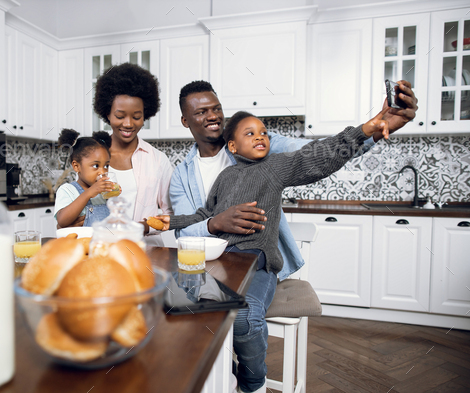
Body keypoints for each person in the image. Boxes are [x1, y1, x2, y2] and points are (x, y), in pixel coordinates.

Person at [168, 80, 418, 393]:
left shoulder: (263, 152)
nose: (213, 115)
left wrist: (371, 130)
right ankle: (219, 379)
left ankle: (248, 383)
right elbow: (187, 230)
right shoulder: (182, 174)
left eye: (216, 108)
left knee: (239, 319)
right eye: (201, 111)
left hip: (257, 263)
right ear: (185, 120)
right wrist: (216, 222)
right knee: (172, 317)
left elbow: (315, 156)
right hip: (209, 270)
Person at [93, 62, 173, 242]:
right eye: (120, 116)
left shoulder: (158, 160)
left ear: (146, 115)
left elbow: (170, 214)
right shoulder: (91, 157)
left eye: (136, 117)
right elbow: (80, 201)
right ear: (107, 114)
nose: (128, 124)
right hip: (104, 248)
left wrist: (142, 227)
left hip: (149, 252)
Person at [54, 129, 115, 228]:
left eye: (106, 166)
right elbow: (62, 221)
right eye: (96, 166)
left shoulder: (103, 194)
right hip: (81, 243)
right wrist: (89, 193)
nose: (103, 172)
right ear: (76, 166)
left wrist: (113, 195)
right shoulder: (67, 190)